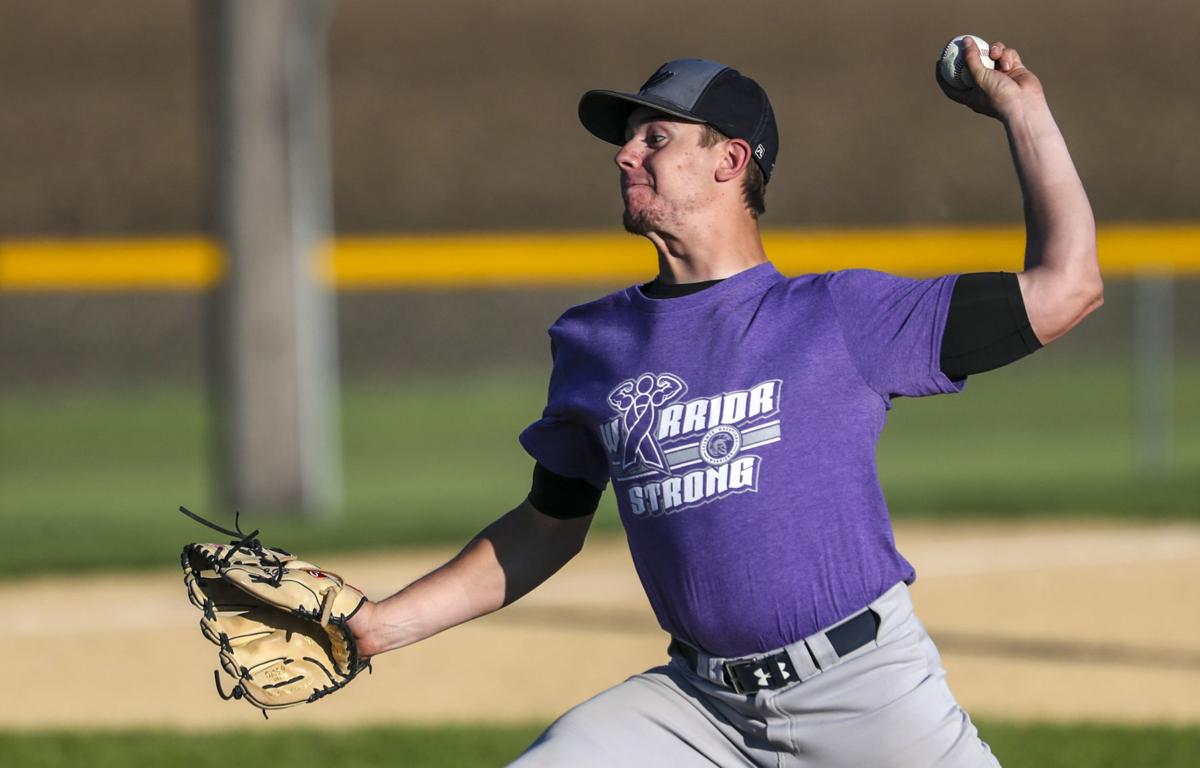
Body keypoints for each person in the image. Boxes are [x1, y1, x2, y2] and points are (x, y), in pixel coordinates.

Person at [347, 39, 1102, 767]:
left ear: (730, 160)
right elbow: (546, 529)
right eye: (629, 141)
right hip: (697, 711)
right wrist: (382, 625)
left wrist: (1022, 110)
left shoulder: (840, 315)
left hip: (865, 698)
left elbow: (1068, 287)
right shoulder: (592, 342)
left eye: (655, 137)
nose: (625, 154)